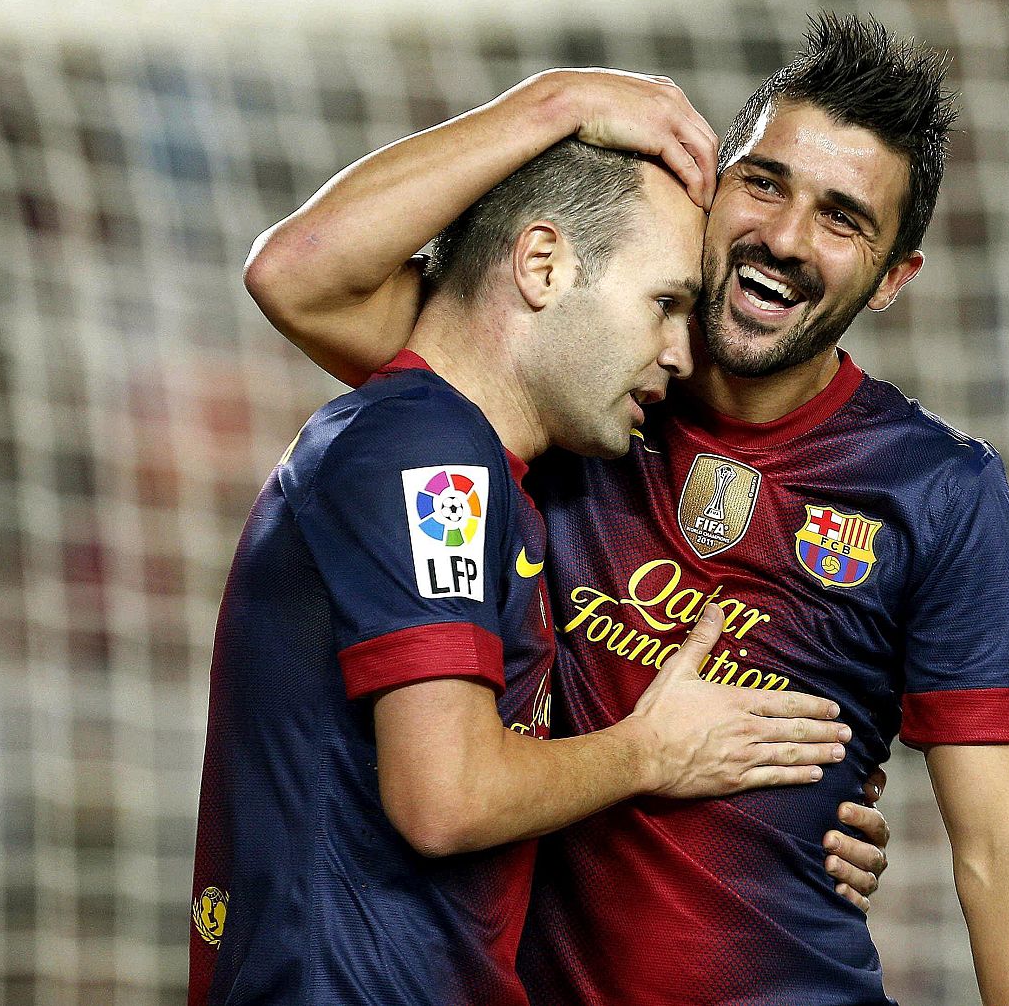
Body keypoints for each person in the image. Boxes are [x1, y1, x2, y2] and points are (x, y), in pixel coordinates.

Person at [249, 14, 1009, 1005]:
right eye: (764, 182)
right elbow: (301, 276)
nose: (784, 237)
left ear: (894, 277)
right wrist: (551, 103)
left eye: (842, 218)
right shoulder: (568, 384)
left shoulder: (938, 490)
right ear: (712, 180)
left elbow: (995, 847)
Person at [191, 135, 862, 1005]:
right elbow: (447, 796)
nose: (680, 353)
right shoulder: (428, 451)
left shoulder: (481, 467)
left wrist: (790, 820)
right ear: (542, 264)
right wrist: (652, 752)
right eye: (664, 302)